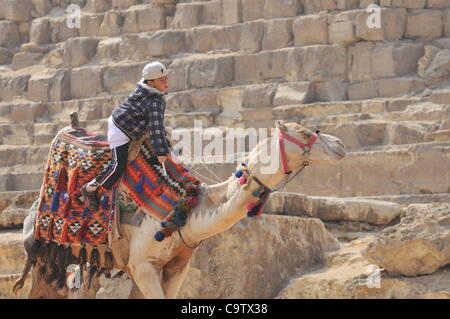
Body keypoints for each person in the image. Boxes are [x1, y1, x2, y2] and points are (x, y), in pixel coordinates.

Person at [81, 61, 171, 211]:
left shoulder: (150, 90)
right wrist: (161, 152)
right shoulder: (155, 101)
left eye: (166, 78)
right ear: (151, 83)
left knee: (166, 139)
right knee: (118, 166)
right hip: (121, 129)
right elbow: (155, 127)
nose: (166, 82)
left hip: (133, 122)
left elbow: (157, 124)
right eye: (162, 80)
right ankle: (90, 188)